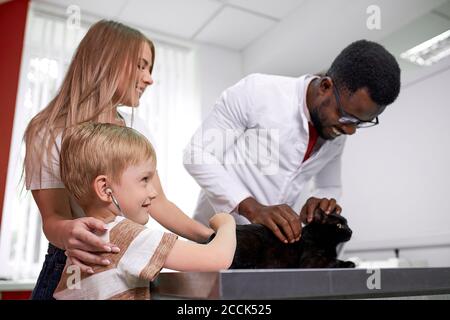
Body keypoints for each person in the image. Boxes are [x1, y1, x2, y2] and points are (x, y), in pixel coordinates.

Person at [24, 20, 214, 300]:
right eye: (141, 66)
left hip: (124, 267)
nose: (149, 78)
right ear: (106, 60)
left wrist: (207, 236)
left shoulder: (135, 131)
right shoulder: (48, 130)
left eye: (149, 69)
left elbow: (158, 201)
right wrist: (71, 231)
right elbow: (53, 218)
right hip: (71, 269)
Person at [184, 39, 401, 244]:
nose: (351, 130)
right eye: (347, 117)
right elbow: (197, 154)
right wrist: (252, 208)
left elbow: (329, 185)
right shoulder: (258, 92)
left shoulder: (336, 133)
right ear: (325, 86)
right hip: (212, 240)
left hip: (269, 253)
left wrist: (320, 202)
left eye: (362, 122)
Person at [52, 123, 235, 300]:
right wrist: (226, 223)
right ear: (105, 188)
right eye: (145, 179)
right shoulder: (125, 235)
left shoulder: (80, 247)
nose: (153, 192)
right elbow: (217, 258)